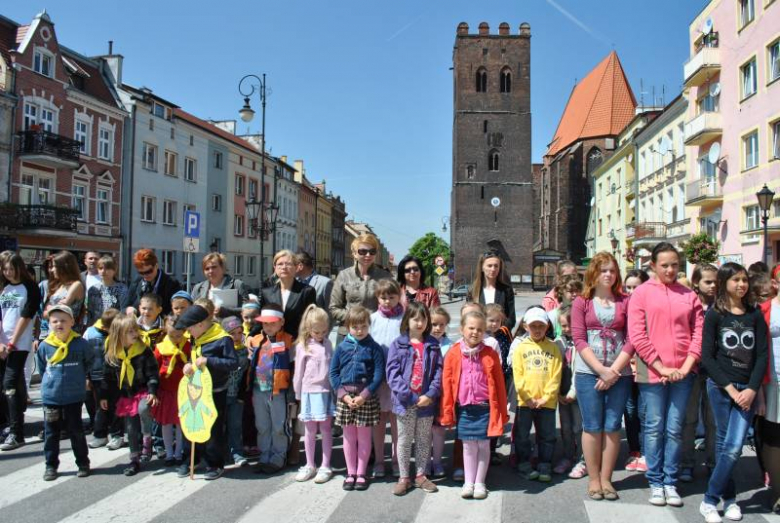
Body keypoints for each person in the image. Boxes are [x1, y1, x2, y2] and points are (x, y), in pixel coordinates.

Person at [628, 242, 704, 508]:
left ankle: (670, 481)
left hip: (683, 372)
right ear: (653, 265)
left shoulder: (689, 295)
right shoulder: (641, 294)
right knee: (654, 427)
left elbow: (698, 334)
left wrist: (686, 367)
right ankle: (655, 481)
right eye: (664, 265)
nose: (670, 270)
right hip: (653, 372)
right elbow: (638, 334)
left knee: (674, 428)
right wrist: (660, 367)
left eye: (674, 265)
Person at [697, 263, 767, 523]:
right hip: (720, 388)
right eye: (736, 280)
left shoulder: (755, 314)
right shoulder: (715, 315)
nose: (741, 284)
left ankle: (709, 500)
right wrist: (729, 388)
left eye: (744, 279)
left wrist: (751, 389)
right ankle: (730, 499)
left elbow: (761, 355)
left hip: (746, 390)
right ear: (724, 282)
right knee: (725, 445)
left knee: (733, 447)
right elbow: (707, 357)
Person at [571, 251, 634, 500]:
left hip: (620, 373)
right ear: (594, 273)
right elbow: (579, 339)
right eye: (603, 270)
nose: (608, 274)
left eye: (612, 270)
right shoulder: (582, 302)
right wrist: (601, 370)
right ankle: (594, 479)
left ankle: (607, 479)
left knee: (612, 426)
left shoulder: (626, 301)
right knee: (592, 426)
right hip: (589, 372)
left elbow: (632, 339)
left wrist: (613, 371)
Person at [440, 309, 508, 500]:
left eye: (479, 329)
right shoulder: (454, 353)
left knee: (484, 445)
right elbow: (447, 383)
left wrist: (502, 411)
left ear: (484, 331)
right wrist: (446, 410)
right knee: (468, 446)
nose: (475, 332)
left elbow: (499, 385)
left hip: (485, 408)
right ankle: (468, 482)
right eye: (471, 328)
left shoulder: (490, 353)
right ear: (462, 329)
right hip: (464, 408)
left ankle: (480, 482)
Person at [175, 303, 238, 480]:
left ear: (201, 324)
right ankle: (191, 459)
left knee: (212, 428)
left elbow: (233, 363)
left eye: (190, 329)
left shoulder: (222, 339)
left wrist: (209, 361)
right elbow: (193, 358)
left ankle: (214, 463)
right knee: (192, 423)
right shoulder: (197, 337)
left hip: (216, 390)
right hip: (196, 389)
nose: (188, 332)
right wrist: (188, 365)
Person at [387, 302, 443, 496]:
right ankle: (404, 477)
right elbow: (392, 375)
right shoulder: (398, 344)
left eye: (423, 319)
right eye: (415, 319)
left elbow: (438, 371)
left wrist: (430, 394)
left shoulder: (433, 344)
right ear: (407, 321)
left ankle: (420, 475)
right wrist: (409, 396)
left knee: (423, 439)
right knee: (404, 440)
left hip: (426, 402)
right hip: (406, 403)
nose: (420, 323)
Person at [329, 305, 385, 491]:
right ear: (348, 327)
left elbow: (378, 375)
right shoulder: (341, 347)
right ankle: (350, 472)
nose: (359, 330)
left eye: (363, 326)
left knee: (364, 437)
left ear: (369, 326)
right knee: (348, 437)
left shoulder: (374, 348)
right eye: (355, 327)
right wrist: (343, 395)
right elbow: (333, 373)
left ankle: (361, 473)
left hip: (365, 398)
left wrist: (364, 395)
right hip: (345, 398)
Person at [35, 304, 94, 480]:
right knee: (51, 433)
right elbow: (42, 368)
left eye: (63, 320)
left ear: (72, 322)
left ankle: (83, 463)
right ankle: (50, 465)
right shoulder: (45, 346)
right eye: (55, 321)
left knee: (76, 431)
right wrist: (50, 384)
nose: (59, 324)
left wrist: (85, 379)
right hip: (51, 397)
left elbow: (89, 362)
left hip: (73, 396)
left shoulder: (81, 344)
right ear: (49, 324)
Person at [102, 313, 159, 476]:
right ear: (119, 335)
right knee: (131, 428)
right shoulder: (113, 354)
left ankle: (147, 438)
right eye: (130, 331)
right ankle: (134, 458)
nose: (135, 333)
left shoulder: (144, 350)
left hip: (143, 391)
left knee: (143, 409)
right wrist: (103, 396)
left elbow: (153, 373)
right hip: (127, 395)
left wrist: (152, 391)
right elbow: (107, 377)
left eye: (135, 330)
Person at [513, 307, 562, 483]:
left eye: (541, 325)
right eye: (533, 326)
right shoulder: (520, 348)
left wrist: (545, 397)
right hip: (525, 402)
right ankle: (524, 464)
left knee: (547, 436)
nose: (537, 329)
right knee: (522, 435)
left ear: (547, 326)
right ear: (526, 326)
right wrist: (527, 397)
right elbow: (518, 375)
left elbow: (556, 375)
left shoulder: (553, 347)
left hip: (546, 402)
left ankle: (544, 464)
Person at [681, 264, 719, 483]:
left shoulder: (721, 306)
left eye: (715, 282)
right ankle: (687, 463)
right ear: (696, 282)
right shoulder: (688, 304)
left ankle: (713, 463)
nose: (713, 286)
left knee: (712, 420)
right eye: (708, 281)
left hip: (715, 371)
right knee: (689, 419)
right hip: (692, 368)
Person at [0, 252, 42, 451]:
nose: (8, 272)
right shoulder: (5, 288)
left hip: (19, 344)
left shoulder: (30, 287)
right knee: (7, 385)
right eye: (5, 269)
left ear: (19, 268)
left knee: (10, 384)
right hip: (2, 344)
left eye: (11, 268)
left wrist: (11, 343)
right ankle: (7, 424)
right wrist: (1, 343)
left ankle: (17, 433)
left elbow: (27, 315)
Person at [247, 303, 294, 474]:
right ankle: (264, 456)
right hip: (258, 390)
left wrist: (292, 391)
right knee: (262, 426)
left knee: (279, 426)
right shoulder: (255, 340)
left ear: (281, 322)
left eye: (272, 323)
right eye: (265, 323)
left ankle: (278, 457)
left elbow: (293, 365)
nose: (268, 327)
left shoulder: (288, 340)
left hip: (278, 391)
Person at [293, 304, 336, 484]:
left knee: (326, 429)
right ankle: (310, 464)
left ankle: (325, 465)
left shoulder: (328, 343)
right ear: (308, 328)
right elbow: (298, 372)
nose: (320, 335)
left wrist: (334, 390)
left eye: (324, 331)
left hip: (325, 392)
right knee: (309, 430)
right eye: (317, 332)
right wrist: (298, 394)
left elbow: (332, 367)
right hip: (309, 392)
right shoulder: (302, 346)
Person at [369, 279, 403, 478]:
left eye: (392, 297)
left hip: (399, 378)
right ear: (377, 298)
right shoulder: (372, 319)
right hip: (378, 378)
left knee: (397, 421)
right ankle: (379, 461)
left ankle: (397, 460)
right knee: (379, 420)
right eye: (383, 297)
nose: (388, 301)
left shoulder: (404, 319)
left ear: (399, 297)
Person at [330, 234, 392, 343]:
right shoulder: (344, 275)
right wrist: (356, 318)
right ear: (354, 253)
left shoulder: (385, 276)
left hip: (375, 334)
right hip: (348, 335)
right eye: (362, 251)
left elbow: (393, 305)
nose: (368, 255)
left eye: (372, 251)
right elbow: (334, 308)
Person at [152, 315, 191, 466]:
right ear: (166, 332)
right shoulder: (161, 348)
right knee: (166, 423)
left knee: (181, 424)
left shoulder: (187, 346)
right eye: (172, 335)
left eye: (179, 336)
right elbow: (154, 368)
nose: (175, 339)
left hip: (183, 392)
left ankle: (179, 452)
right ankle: (169, 453)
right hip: (166, 391)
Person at [623, 269, 650, 475]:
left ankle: (647, 452)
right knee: (630, 410)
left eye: (636, 287)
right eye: (628, 287)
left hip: (645, 363)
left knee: (644, 410)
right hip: (625, 362)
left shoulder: (650, 307)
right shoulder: (623, 307)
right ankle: (634, 450)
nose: (632, 291)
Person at [553, 305, 584, 478]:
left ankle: (582, 459)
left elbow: (580, 370)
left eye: (570, 325)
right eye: (564, 326)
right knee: (565, 427)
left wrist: (573, 392)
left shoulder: (581, 343)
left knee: (579, 427)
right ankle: (567, 456)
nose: (567, 329)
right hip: (562, 392)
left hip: (577, 393)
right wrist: (557, 392)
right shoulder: (558, 343)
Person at [759, 263, 780, 513]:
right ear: (774, 283)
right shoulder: (765, 309)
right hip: (774, 381)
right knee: (775, 435)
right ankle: (778, 491)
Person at [259, 250, 316, 341]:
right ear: (275, 268)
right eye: (280, 264)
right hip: (273, 342)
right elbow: (261, 319)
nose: (284, 267)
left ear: (296, 267)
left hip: (297, 342)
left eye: (288, 264)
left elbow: (311, 321)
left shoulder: (306, 291)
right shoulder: (267, 293)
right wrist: (251, 335)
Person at [84, 308, 119, 448]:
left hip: (115, 376)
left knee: (116, 407)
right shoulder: (90, 333)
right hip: (97, 376)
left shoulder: (119, 333)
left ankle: (116, 435)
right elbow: (85, 357)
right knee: (101, 407)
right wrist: (87, 377)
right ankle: (100, 435)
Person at [485, 303, 513, 464]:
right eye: (491, 320)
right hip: (486, 383)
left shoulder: (504, 334)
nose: (494, 324)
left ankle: (492, 449)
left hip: (501, 379)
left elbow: (509, 352)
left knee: (497, 415)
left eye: (498, 321)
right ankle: (483, 448)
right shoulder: (481, 336)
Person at [221, 316, 249, 467]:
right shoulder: (221, 351)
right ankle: (223, 453)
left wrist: (242, 395)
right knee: (221, 425)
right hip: (222, 394)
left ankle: (237, 452)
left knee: (235, 425)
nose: (237, 337)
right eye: (232, 333)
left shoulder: (244, 351)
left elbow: (246, 374)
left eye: (239, 333)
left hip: (237, 395)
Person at [429, 306, 452, 477]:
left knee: (439, 430)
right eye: (434, 324)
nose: (437, 328)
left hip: (442, 394)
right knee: (423, 431)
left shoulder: (450, 346)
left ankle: (436, 462)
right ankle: (423, 462)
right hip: (425, 394)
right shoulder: (422, 343)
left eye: (441, 325)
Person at [123, 249, 182, 317]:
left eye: (149, 271)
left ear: (156, 266)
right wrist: (128, 309)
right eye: (141, 273)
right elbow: (124, 307)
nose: (145, 275)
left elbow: (176, 310)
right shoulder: (137, 281)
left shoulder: (171, 283)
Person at [191, 252, 251, 319]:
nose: (210, 271)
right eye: (207, 269)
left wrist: (224, 311)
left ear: (223, 268)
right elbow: (191, 311)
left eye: (214, 267)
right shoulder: (198, 288)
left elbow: (248, 310)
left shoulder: (237, 285)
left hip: (230, 324)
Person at [469, 250, 516, 331]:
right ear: (482, 268)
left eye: (496, 266)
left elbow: (511, 319)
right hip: (479, 335)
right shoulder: (473, 291)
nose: (493, 269)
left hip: (500, 335)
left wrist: (498, 333)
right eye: (489, 266)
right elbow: (469, 317)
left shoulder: (506, 290)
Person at [45, 251, 86, 333]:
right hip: (52, 333)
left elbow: (62, 308)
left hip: (69, 335)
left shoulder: (76, 285)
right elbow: (45, 313)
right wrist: (52, 309)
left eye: (55, 266)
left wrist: (51, 308)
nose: (52, 270)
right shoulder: (58, 285)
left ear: (64, 267)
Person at [86, 255, 128, 327]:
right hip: (97, 327)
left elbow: (123, 312)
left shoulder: (121, 289)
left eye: (107, 268)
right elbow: (90, 313)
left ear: (114, 270)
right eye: (100, 268)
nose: (103, 271)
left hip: (114, 326)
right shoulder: (93, 289)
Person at [295, 251, 334, 324]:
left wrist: (325, 330)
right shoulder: (293, 283)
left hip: (318, 328)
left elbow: (330, 313)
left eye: (292, 264)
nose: (289, 268)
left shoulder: (325, 283)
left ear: (300, 266)